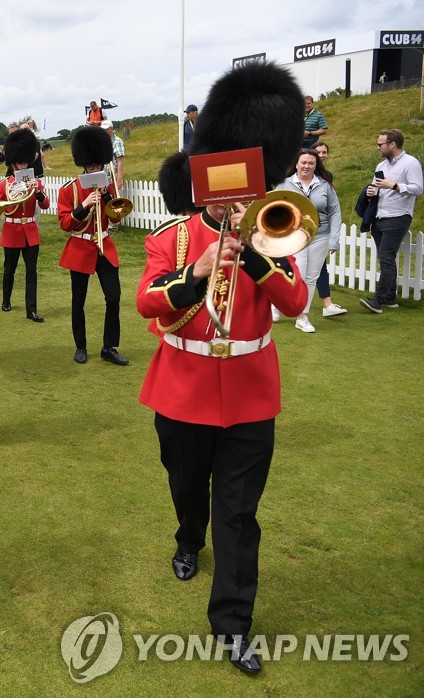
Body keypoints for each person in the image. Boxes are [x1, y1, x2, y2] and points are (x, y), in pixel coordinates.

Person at [139, 61, 309, 675]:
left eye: (249, 187)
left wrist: (258, 258)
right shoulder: (176, 237)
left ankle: (233, 624)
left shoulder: (274, 231)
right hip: (181, 390)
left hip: (248, 396)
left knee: (237, 512)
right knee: (188, 490)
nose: (239, 200)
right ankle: (188, 536)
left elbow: (296, 301)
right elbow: (147, 303)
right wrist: (201, 270)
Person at [57, 126, 128, 366]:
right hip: (80, 248)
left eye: (99, 165)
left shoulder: (109, 187)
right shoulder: (70, 190)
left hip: (104, 246)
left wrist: (108, 198)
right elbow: (65, 224)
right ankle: (81, 346)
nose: (95, 169)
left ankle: (109, 346)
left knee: (114, 297)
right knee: (79, 301)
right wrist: (84, 204)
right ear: (84, 164)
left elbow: (117, 218)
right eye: (92, 165)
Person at [276, 148, 342, 333]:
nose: (307, 166)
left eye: (311, 163)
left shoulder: (325, 185)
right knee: (297, 274)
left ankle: (302, 317)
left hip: (321, 235)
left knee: (311, 277)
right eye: (303, 162)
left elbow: (335, 212)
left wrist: (334, 240)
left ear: (316, 165)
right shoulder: (284, 184)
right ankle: (279, 305)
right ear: (296, 164)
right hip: (295, 235)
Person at [360, 129, 423, 313]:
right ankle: (390, 298)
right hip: (379, 216)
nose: (378, 147)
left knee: (386, 258)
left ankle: (378, 301)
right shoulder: (381, 166)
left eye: (381, 144)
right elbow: (377, 187)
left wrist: (394, 186)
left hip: (398, 217)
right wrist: (372, 191)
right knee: (386, 258)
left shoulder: (411, 163)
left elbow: (418, 188)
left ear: (392, 144)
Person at [0, 128, 47, 322]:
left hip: (30, 230)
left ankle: (31, 310)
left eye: (25, 161)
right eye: (19, 162)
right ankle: (6, 300)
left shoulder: (35, 182)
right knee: (10, 269)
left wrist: (38, 192)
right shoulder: (4, 184)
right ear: (13, 162)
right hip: (12, 230)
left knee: (31, 272)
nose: (23, 164)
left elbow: (46, 204)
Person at [311, 142, 347, 316]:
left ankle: (327, 304)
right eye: (318, 152)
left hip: (320, 230)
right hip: (299, 229)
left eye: (325, 152)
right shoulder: (294, 177)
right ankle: (277, 306)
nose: (322, 155)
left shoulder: (327, 176)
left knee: (320, 266)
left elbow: (331, 206)